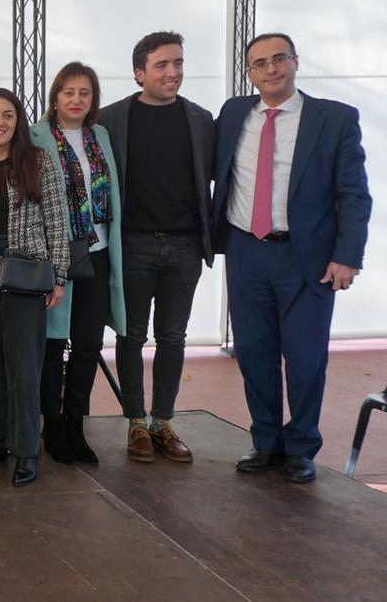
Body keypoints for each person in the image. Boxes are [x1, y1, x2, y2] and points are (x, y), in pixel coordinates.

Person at [213, 33, 371, 484]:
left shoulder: (334, 118)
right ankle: (266, 442)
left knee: (304, 358)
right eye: (259, 63)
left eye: (279, 59)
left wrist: (347, 256)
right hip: (245, 251)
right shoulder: (232, 114)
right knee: (253, 354)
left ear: (296, 62)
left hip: (308, 257)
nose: (271, 69)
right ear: (249, 73)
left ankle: (301, 446)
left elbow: (354, 194)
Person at [98, 31, 215, 464]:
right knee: (130, 337)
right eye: (163, 65)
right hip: (132, 244)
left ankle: (163, 422)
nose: (173, 72)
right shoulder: (111, 120)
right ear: (139, 72)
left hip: (185, 246)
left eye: (179, 63)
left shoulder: (201, 119)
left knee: (173, 337)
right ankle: (135, 423)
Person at [0, 88, 68, 487]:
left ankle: (26, 450)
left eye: (7, 115)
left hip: (27, 275)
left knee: (24, 366)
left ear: (18, 121)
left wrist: (58, 276)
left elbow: (57, 221)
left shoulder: (38, 163)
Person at [31, 62, 125, 466]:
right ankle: (51, 424)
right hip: (58, 255)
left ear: (93, 100)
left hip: (99, 254)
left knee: (87, 344)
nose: (76, 99)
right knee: (53, 344)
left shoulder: (99, 136)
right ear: (55, 97)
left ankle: (75, 423)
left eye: (84, 93)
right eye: (69, 91)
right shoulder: (35, 136)